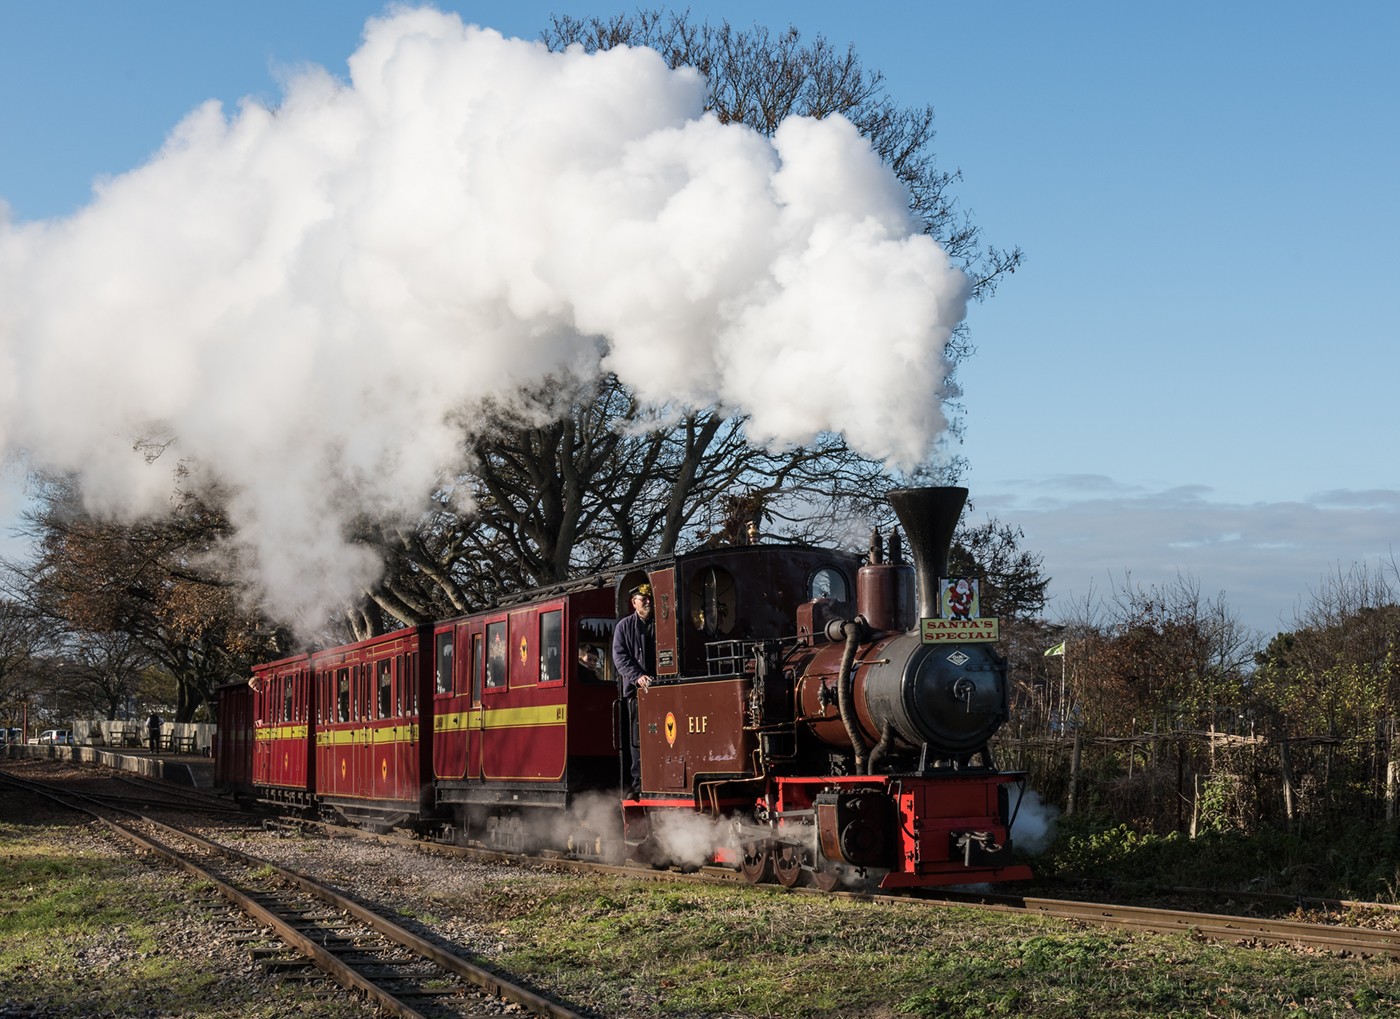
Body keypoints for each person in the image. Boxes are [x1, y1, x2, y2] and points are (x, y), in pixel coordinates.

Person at [611, 582, 655, 798]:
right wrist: (638, 676)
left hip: (661, 690)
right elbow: (620, 657)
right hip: (637, 694)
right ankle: (638, 785)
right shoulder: (624, 627)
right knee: (637, 742)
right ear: (634, 602)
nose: (647, 601)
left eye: (649, 598)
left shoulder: (662, 624)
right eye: (643, 598)